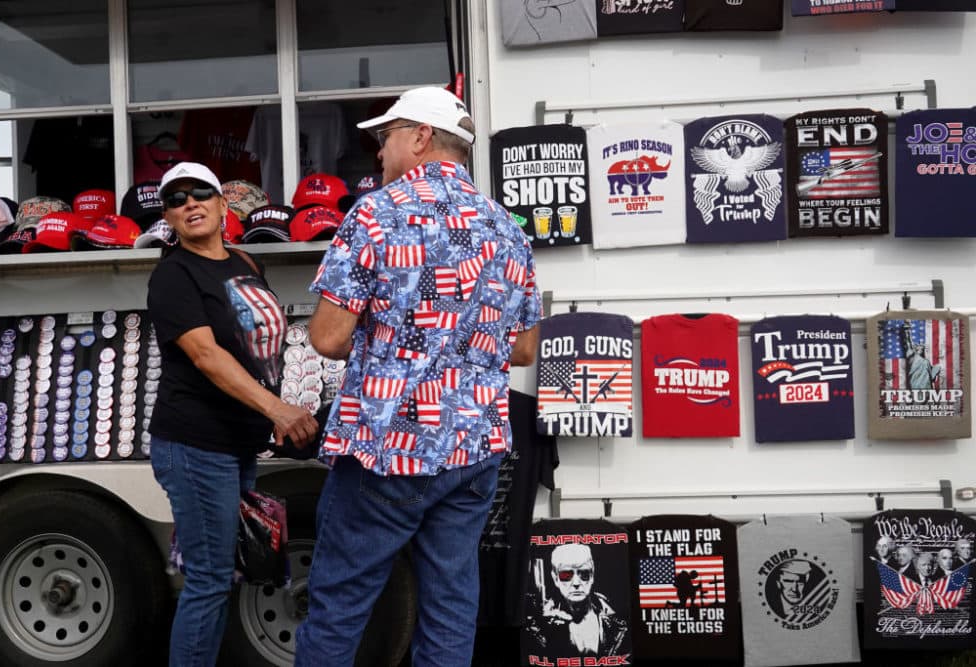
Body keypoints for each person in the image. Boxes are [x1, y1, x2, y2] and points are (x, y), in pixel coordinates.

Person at [294, 87, 541, 667]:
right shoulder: (508, 227)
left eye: (386, 137)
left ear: (421, 138)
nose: (379, 152)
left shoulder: (377, 213)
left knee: (340, 602)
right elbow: (525, 350)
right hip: (474, 446)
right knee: (451, 606)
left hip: (390, 446)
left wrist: (397, 338)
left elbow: (327, 338)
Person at [146, 161, 318, 665]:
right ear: (169, 218)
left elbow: (256, 347)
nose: (190, 204)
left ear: (224, 205)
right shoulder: (173, 275)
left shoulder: (244, 262)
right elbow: (206, 355)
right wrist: (278, 410)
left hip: (237, 443)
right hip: (195, 444)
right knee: (208, 579)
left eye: (201, 193)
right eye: (176, 200)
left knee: (226, 574)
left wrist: (275, 413)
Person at [525, 544, 630, 658]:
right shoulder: (540, 625)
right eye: (566, 575)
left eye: (584, 574)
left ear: (592, 576)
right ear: (555, 579)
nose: (576, 583)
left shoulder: (617, 621)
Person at [900, 322, 942, 389]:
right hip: (915, 384)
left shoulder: (926, 361)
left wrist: (937, 368)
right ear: (915, 349)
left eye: (922, 348)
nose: (921, 349)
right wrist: (907, 331)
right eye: (919, 347)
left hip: (927, 386)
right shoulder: (911, 355)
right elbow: (908, 342)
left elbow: (932, 377)